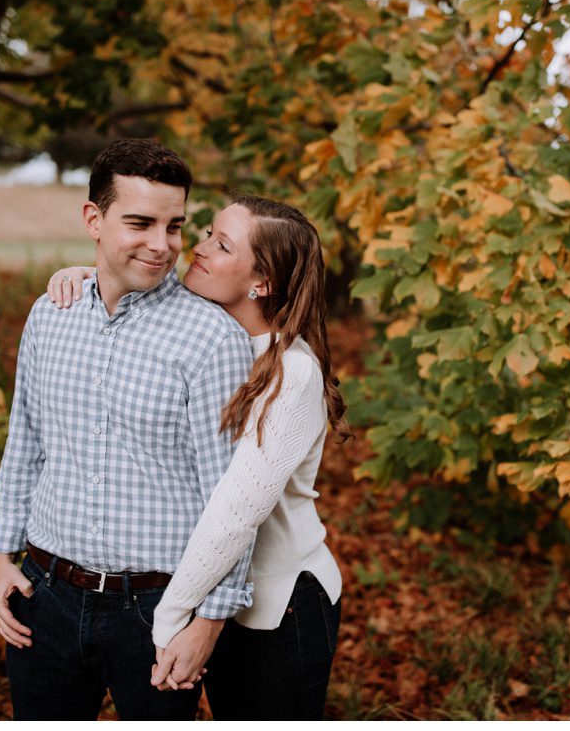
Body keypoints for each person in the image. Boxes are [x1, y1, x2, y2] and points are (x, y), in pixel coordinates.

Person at [45, 194, 350, 719]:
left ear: (263, 283)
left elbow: (233, 515)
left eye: (222, 245)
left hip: (279, 607)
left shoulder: (292, 373)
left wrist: (170, 619)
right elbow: (136, 291)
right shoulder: (215, 332)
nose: (199, 249)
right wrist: (86, 275)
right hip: (216, 593)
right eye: (207, 232)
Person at [0, 138, 255, 720]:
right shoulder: (49, 314)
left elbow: (231, 503)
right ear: (94, 218)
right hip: (45, 595)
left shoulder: (211, 339)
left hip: (156, 609)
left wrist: (208, 623)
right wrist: (2, 557)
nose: (162, 246)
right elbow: (25, 442)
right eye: (139, 223)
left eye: (175, 226)